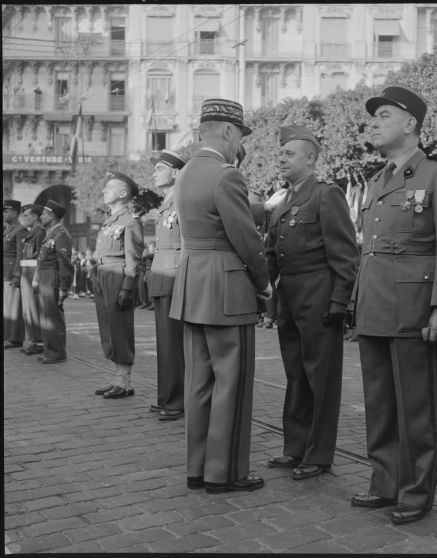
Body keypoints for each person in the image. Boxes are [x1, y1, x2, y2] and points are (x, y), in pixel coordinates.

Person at [350, 85, 437, 524]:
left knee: (417, 409)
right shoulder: (379, 178)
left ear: (411, 123)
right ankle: (385, 483)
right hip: (376, 308)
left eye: (383, 115)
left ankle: (417, 493)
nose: (374, 122)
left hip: (416, 310)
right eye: (374, 116)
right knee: (379, 405)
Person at [169, 98, 272, 494]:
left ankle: (197, 468)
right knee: (232, 381)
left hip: (192, 284)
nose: (238, 145)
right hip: (226, 288)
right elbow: (244, 238)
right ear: (228, 131)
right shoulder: (226, 175)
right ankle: (224, 472)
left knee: (199, 383)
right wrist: (263, 282)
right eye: (239, 135)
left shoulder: (187, 172)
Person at [266, 125, 359, 480]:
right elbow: (273, 251)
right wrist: (271, 299)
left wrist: (339, 301)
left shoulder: (327, 195)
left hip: (319, 293)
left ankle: (318, 455)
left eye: (289, 153)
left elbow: (345, 253)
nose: (282, 158)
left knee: (320, 377)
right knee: (295, 375)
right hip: (290, 295)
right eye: (281, 153)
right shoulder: (283, 201)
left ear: (311, 158)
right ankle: (295, 447)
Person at [93, 171, 143, 399]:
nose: (104, 190)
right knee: (108, 328)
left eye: (109, 187)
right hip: (102, 274)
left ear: (123, 193)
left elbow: (134, 259)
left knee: (120, 329)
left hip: (117, 276)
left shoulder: (129, 222)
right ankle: (117, 377)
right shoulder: (109, 220)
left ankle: (125, 380)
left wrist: (127, 287)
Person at [148, 149, 187, 421]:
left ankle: (177, 399)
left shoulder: (182, 202)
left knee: (174, 343)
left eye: (159, 168)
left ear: (174, 172)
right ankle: (166, 395)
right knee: (164, 343)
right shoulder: (165, 204)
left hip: (174, 277)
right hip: (161, 277)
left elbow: (187, 244)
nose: (154, 173)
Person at [32, 201, 73, 364]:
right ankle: (50, 349)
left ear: (52, 216)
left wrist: (64, 287)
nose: (41, 217)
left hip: (53, 278)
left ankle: (57, 352)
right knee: (46, 316)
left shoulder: (60, 234)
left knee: (53, 316)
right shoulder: (50, 233)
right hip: (45, 277)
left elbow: (65, 263)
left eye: (43, 214)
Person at [18, 204, 46, 355]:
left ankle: (39, 342)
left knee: (34, 309)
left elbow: (41, 258)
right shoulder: (31, 232)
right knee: (27, 310)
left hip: (33, 272)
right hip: (26, 272)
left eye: (27, 215)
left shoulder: (40, 232)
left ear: (35, 217)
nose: (25, 218)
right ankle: (33, 340)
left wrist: (36, 277)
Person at [3, 199, 26, 348]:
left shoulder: (20, 229)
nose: (4, 213)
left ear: (16, 212)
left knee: (13, 305)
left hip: (11, 271)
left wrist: (17, 273)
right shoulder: (8, 229)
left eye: (7, 210)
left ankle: (15, 337)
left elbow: (20, 253)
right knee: (6, 305)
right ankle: (8, 335)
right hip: (5, 270)